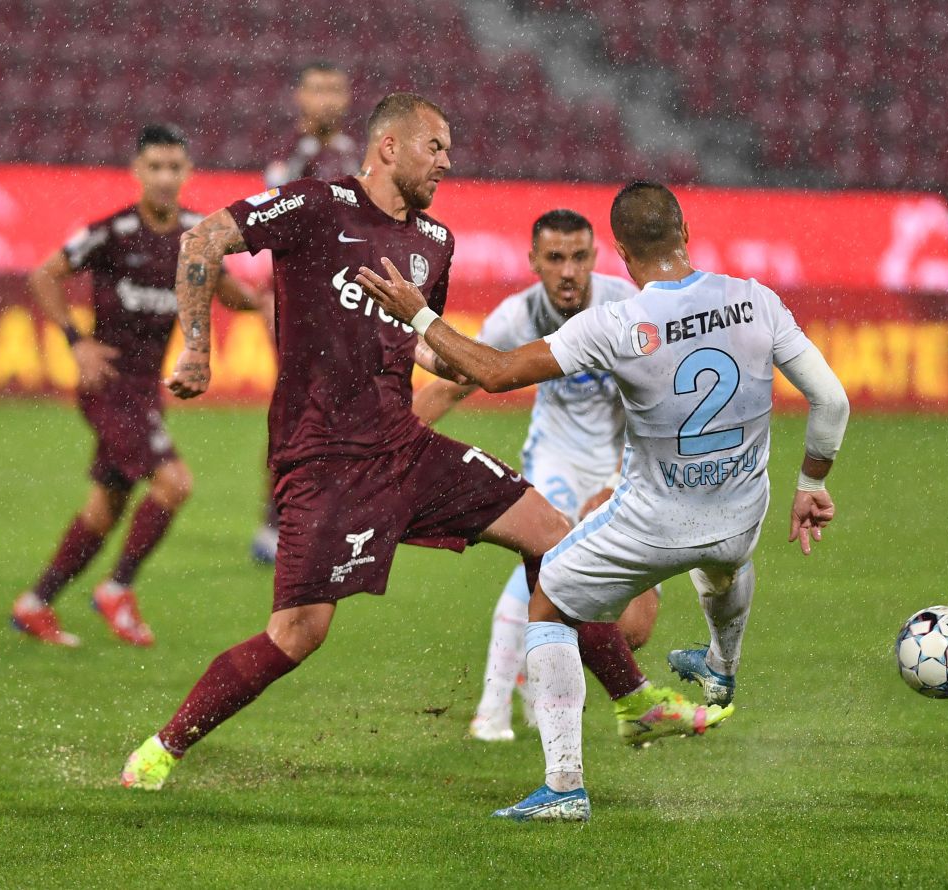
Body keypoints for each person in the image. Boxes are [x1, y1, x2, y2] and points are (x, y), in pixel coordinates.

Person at [119, 95, 726, 791]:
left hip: (406, 447)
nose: (447, 161)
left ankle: (633, 700)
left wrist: (482, 362)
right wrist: (197, 347)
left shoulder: (434, 243)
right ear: (388, 148)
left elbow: (413, 345)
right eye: (434, 147)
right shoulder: (316, 205)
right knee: (298, 632)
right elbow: (202, 241)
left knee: (553, 539)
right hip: (326, 462)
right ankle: (162, 751)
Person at [356, 180, 851, 822]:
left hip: (651, 522)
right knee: (724, 566)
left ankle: (564, 786)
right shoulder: (755, 300)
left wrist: (419, 314)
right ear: (686, 234)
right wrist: (811, 484)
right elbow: (832, 401)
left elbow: (497, 372)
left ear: (616, 252)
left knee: (549, 599)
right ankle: (720, 669)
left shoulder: (619, 322)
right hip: (738, 520)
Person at [10, 124, 267, 648]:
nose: (166, 178)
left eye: (175, 168)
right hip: (108, 385)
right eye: (156, 167)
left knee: (105, 508)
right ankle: (117, 590)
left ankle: (34, 604)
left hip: (144, 392)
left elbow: (233, 295)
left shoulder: (199, 235)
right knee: (175, 483)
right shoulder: (114, 231)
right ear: (137, 171)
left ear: (188, 173)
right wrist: (76, 341)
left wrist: (267, 294)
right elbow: (43, 276)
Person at [414, 209, 662, 742]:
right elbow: (453, 385)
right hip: (554, 460)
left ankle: (540, 670)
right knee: (543, 555)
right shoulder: (516, 316)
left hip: (624, 466)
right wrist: (389, 440)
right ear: (533, 262)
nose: (568, 271)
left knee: (634, 628)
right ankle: (492, 707)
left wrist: (621, 479)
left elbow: (662, 405)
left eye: (578, 257)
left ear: (596, 258)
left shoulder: (626, 307)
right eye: (555, 258)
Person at [252, 61, 364, 564]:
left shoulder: (353, 153)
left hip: (344, 301)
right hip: (300, 303)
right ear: (299, 96)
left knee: (339, 411)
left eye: (335, 88)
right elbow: (274, 224)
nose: (327, 99)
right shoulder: (289, 157)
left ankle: (319, 517)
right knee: (299, 410)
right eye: (317, 88)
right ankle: (275, 523)